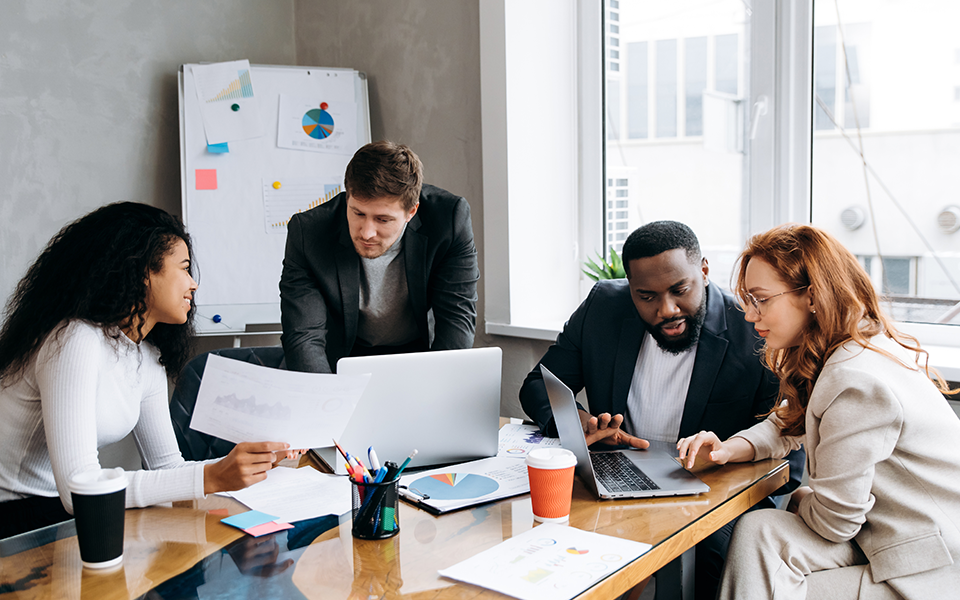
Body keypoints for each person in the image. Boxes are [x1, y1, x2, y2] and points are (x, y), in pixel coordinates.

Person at [519, 220, 804, 600]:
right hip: (615, 479)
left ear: (703, 270)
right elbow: (538, 384)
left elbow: (788, 455)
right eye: (646, 296)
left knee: (710, 557)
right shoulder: (603, 307)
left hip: (712, 492)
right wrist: (579, 423)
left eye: (679, 290)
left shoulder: (754, 328)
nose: (666, 309)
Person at [677, 224, 960, 599]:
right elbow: (790, 420)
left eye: (761, 299)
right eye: (747, 299)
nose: (749, 314)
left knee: (768, 557)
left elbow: (834, 523)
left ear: (811, 296)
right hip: (893, 537)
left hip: (931, 565)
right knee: (761, 530)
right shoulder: (857, 345)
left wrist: (802, 500)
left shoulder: (855, 380)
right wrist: (729, 449)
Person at [0, 202, 292, 539]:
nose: (193, 284)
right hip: (16, 518)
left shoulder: (146, 355)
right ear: (142, 272)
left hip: (59, 512)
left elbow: (167, 468)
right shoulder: (73, 339)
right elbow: (78, 491)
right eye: (183, 268)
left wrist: (246, 466)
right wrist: (212, 476)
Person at [280, 140, 480, 373]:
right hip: (339, 360)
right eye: (358, 213)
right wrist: (327, 400)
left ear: (411, 211)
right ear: (348, 198)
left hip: (418, 356)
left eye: (383, 219)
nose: (367, 233)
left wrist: (437, 391)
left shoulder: (449, 220)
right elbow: (304, 336)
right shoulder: (308, 232)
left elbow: (457, 319)